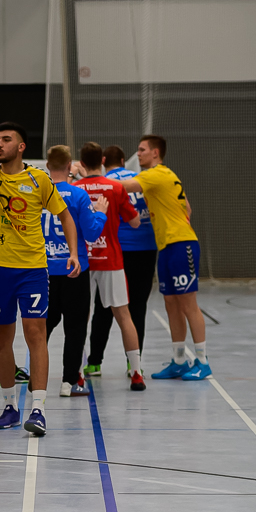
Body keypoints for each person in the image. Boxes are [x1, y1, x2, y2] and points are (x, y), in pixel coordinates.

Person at [0, 122, 80, 436]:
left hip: (33, 270)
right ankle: (10, 407)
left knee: (36, 334)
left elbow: (65, 215)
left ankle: (38, 409)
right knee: (1, 341)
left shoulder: (39, 179)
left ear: (21, 146)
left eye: (6, 139)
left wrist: (73, 253)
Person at [116, 135, 210, 381]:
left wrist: (90, 179)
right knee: (171, 303)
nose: (139, 154)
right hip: (167, 246)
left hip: (181, 244)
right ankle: (179, 360)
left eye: (142, 150)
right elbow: (187, 208)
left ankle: (203, 361)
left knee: (188, 303)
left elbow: (122, 187)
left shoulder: (156, 174)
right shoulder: (165, 176)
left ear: (155, 153)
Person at [74, 143, 146, 391]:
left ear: (82, 163)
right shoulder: (116, 188)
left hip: (83, 260)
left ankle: (77, 373)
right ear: (102, 161)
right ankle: (136, 373)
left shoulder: (75, 189)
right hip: (111, 259)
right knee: (124, 315)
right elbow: (135, 222)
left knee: (80, 318)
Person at [42, 145, 109, 396]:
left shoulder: (39, 194)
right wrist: (100, 214)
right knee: (75, 327)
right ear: (70, 166)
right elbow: (91, 233)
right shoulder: (78, 195)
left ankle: (37, 381)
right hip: (74, 270)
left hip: (44, 271)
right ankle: (69, 382)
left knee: (42, 328)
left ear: (47, 166)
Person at [98, 145, 156, 377]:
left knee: (105, 306)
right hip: (147, 247)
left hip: (118, 249)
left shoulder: (105, 183)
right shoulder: (141, 179)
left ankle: (94, 362)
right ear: (123, 160)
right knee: (138, 307)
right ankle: (134, 364)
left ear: (104, 161)